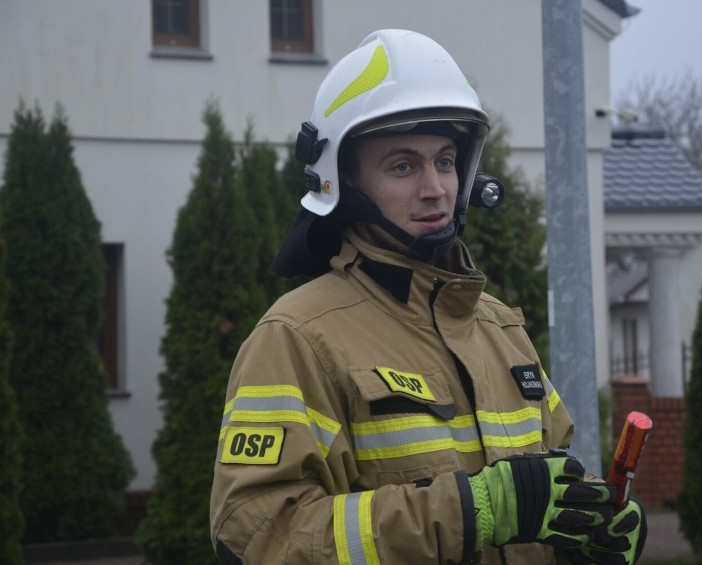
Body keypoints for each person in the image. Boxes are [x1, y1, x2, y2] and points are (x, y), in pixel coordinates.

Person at [210, 29, 646, 564]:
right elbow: (256, 537)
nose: (435, 187)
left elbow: (548, 497)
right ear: (343, 181)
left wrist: (588, 538)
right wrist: (466, 512)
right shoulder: (296, 337)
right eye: (402, 165)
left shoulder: (501, 331)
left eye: (444, 160)